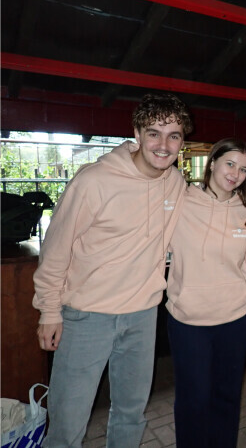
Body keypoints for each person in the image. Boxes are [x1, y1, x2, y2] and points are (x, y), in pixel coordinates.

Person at [32, 93, 192, 447]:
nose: (163, 145)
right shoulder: (94, 181)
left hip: (142, 316)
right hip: (86, 316)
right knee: (67, 424)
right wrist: (49, 311)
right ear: (137, 133)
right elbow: (56, 249)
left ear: (182, 142)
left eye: (174, 136)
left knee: (131, 415)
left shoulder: (175, 184)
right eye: (154, 133)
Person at [165, 138, 246, 447]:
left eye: (243, 169)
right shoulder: (180, 200)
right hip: (189, 319)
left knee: (227, 397)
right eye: (230, 164)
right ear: (213, 162)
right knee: (193, 399)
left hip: (235, 317)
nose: (235, 174)